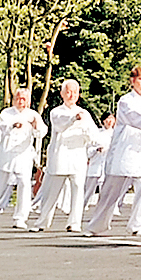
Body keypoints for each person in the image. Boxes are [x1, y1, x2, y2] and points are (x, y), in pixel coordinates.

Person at [85, 66, 141, 238]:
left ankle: (138, 223)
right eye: (140, 79)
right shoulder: (125, 101)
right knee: (112, 190)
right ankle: (97, 224)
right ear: (132, 81)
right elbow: (133, 117)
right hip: (124, 150)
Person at [0, 87, 45, 229]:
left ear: (29, 101)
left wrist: (35, 125)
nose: (21, 101)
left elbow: (41, 132)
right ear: (14, 100)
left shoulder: (33, 115)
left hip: (23, 155)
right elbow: (2, 127)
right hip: (6, 154)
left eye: (24, 99)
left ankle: (20, 218)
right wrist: (14, 125)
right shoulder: (6, 113)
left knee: (24, 186)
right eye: (18, 98)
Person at [35, 80, 99, 231]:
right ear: (62, 94)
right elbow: (60, 124)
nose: (72, 95)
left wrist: (87, 132)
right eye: (68, 92)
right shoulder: (56, 111)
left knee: (78, 190)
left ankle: (74, 223)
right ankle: (42, 222)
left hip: (78, 157)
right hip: (60, 157)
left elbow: (94, 134)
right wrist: (73, 119)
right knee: (51, 192)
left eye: (75, 92)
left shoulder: (85, 113)